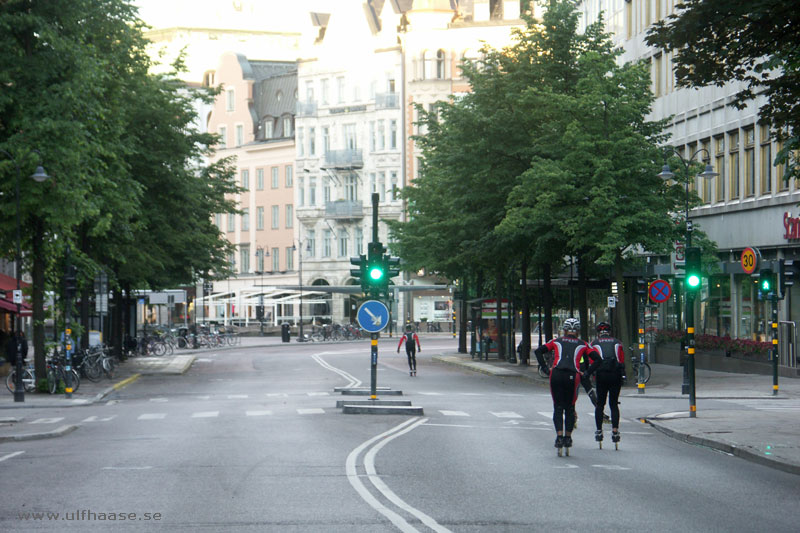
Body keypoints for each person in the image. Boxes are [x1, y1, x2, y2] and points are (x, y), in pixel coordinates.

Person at [534, 318, 598, 455]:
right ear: (578, 331)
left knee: (557, 407)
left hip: (556, 374)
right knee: (569, 408)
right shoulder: (583, 344)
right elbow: (598, 359)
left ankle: (559, 437)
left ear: (564, 330)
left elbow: (538, 351)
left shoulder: (556, 341)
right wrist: (586, 373)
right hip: (572, 376)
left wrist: (545, 369)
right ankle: (568, 437)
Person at [585, 322, 625, 448]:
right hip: (615, 375)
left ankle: (599, 431)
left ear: (598, 332)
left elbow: (592, 361)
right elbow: (621, 359)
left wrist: (589, 374)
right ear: (609, 331)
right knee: (613, 404)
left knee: (600, 404)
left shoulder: (594, 344)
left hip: (601, 375)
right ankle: (615, 431)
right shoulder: (617, 342)